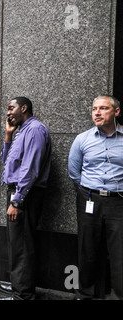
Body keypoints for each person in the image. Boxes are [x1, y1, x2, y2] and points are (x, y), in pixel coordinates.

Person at [68, 95, 123, 300]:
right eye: (94, 109)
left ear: (116, 112)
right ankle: (84, 293)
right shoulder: (83, 139)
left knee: (119, 253)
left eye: (103, 108)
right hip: (89, 199)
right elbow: (74, 172)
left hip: (118, 201)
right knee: (87, 248)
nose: (97, 113)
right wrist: (89, 190)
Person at [0, 97, 52, 300]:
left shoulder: (35, 130)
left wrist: (16, 201)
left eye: (11, 108)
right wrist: (8, 135)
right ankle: (17, 285)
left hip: (24, 195)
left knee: (22, 245)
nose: (8, 113)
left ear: (24, 108)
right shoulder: (22, 131)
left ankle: (23, 295)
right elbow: (7, 162)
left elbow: (30, 170)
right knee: (16, 243)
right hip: (18, 192)